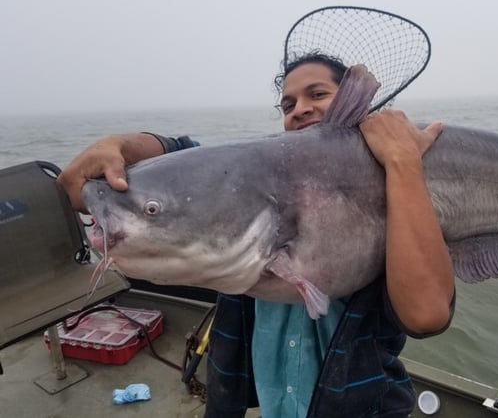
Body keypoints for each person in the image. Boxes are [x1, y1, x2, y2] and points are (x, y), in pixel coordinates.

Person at [58, 52, 456, 417]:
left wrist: (403, 164)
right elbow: (178, 155)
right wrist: (118, 145)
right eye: (287, 104)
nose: (299, 109)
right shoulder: (252, 185)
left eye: (317, 94)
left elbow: (427, 316)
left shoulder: (395, 184)